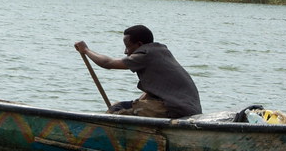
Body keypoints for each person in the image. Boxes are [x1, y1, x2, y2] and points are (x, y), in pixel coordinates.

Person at [74, 25, 202, 119]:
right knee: (120, 106)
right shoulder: (160, 51)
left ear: (139, 44)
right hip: (187, 107)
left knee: (118, 110)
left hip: (177, 109)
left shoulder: (145, 54)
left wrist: (86, 50)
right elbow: (151, 92)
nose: (126, 51)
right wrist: (137, 103)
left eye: (128, 47)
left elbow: (107, 63)